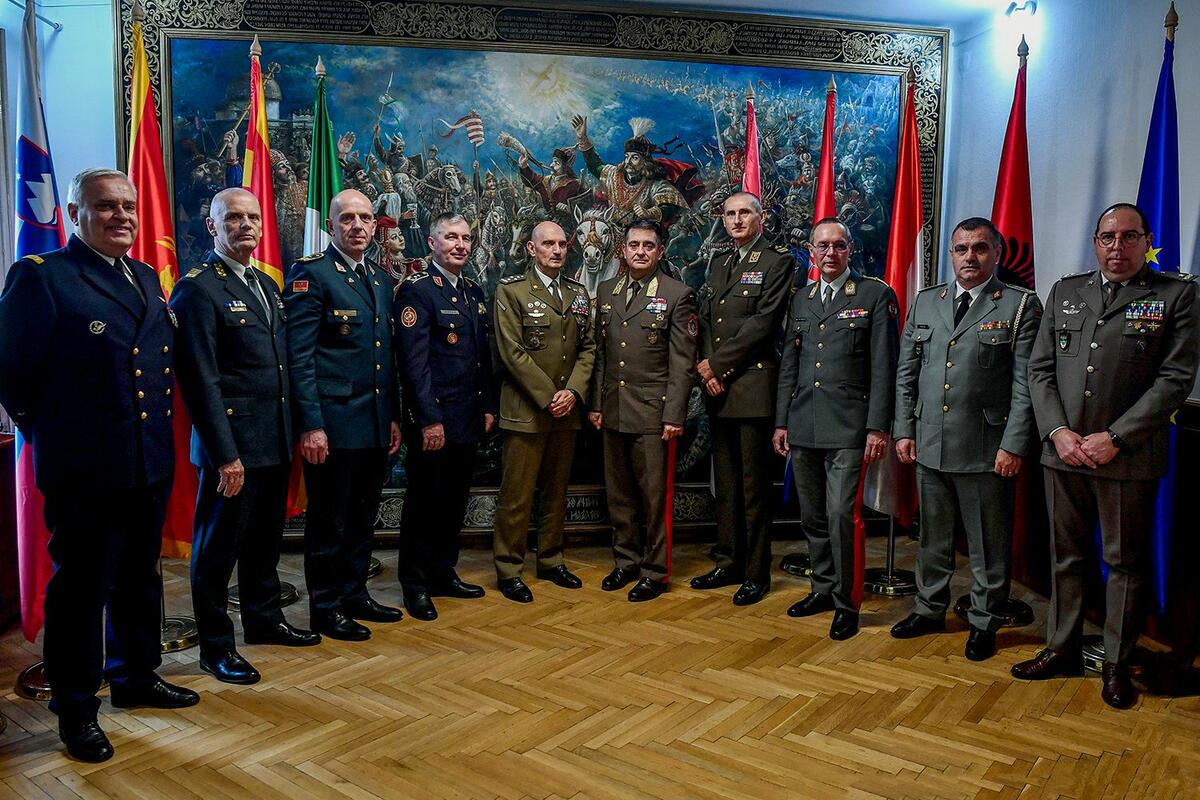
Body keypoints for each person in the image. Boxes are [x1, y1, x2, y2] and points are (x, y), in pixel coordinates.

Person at [0, 168, 199, 762]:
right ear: (75, 213)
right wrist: (59, 434)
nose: (123, 216)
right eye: (107, 206)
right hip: (85, 470)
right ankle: (77, 707)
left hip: (147, 461)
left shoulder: (144, 276)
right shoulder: (44, 277)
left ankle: (135, 676)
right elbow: (12, 374)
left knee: (140, 578)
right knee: (82, 591)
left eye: (129, 206)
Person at [1013, 203, 1200, 708]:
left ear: (1147, 241)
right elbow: (1040, 369)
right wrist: (1057, 432)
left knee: (1124, 562)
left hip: (1127, 458)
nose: (1118, 247)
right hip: (1064, 454)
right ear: (1095, 242)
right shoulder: (1066, 292)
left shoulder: (1175, 294)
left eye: (1129, 237)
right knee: (1066, 556)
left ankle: (1117, 662)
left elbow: (1175, 380)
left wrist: (1115, 437)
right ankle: (1062, 647)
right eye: (1108, 237)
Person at [170, 188, 321, 686]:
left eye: (253, 217)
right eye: (233, 218)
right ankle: (216, 648)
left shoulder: (265, 283)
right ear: (212, 226)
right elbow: (200, 381)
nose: (246, 225)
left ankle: (264, 619)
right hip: (231, 448)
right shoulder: (198, 289)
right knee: (217, 552)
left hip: (272, 439)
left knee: (263, 543)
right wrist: (224, 455)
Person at [890, 217, 1041, 660]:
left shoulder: (1017, 305)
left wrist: (1013, 444)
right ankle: (928, 609)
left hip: (986, 448)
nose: (969, 257)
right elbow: (907, 374)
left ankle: (983, 622)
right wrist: (904, 429)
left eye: (979, 248)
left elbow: (1026, 384)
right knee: (932, 539)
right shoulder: (927, 301)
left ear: (996, 254)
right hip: (930, 442)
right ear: (951, 254)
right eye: (961, 249)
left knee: (988, 546)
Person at [284, 189, 403, 641]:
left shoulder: (379, 278)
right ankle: (326, 607)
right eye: (347, 218)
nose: (357, 226)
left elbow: (383, 356)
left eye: (365, 218)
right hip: (332, 424)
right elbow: (300, 358)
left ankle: (355, 593)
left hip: (373, 421)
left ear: (375, 225)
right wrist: (311, 424)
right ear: (331, 225)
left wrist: (391, 416)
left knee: (362, 516)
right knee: (329, 520)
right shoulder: (312, 274)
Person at [773, 217, 898, 640]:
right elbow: (790, 366)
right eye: (823, 246)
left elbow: (884, 367)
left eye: (839, 246)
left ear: (850, 250)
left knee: (842, 514)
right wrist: (781, 422)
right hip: (804, 423)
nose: (830, 253)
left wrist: (878, 427)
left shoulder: (874, 294)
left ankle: (847, 603)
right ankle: (822, 588)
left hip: (850, 426)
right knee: (812, 516)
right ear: (811, 251)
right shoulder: (802, 298)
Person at [393, 212, 496, 621]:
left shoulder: (472, 290)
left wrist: (487, 405)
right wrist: (429, 419)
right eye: (451, 237)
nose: (460, 245)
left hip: (467, 416)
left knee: (454, 501)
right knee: (424, 503)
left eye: (466, 238)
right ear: (432, 243)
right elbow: (413, 364)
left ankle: (442, 571)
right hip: (434, 421)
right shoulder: (417, 291)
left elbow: (480, 357)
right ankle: (415, 583)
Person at [692, 191, 794, 605]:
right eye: (730, 214)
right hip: (718, 391)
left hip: (751, 388)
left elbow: (762, 325)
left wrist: (716, 367)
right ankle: (729, 561)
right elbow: (704, 320)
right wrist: (706, 367)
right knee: (728, 486)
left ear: (760, 218)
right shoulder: (719, 262)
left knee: (753, 488)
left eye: (744, 213)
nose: (736, 220)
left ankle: (756, 572)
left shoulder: (776, 262)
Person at [589, 220, 697, 601]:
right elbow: (601, 355)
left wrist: (674, 416)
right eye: (634, 244)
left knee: (654, 499)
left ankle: (655, 571)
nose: (640, 251)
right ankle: (626, 561)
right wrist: (597, 404)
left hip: (654, 413)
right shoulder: (608, 291)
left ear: (659, 251)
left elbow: (682, 364)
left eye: (648, 246)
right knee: (619, 495)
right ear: (623, 249)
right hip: (614, 408)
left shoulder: (677, 294)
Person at [492, 220, 597, 602]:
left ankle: (551, 560)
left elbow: (588, 348)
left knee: (556, 493)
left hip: (566, 412)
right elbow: (511, 352)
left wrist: (573, 392)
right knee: (517, 496)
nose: (556, 250)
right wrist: (551, 395)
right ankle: (509, 568)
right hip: (527, 411)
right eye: (548, 244)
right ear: (531, 249)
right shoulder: (511, 291)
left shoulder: (577, 292)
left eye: (562, 244)